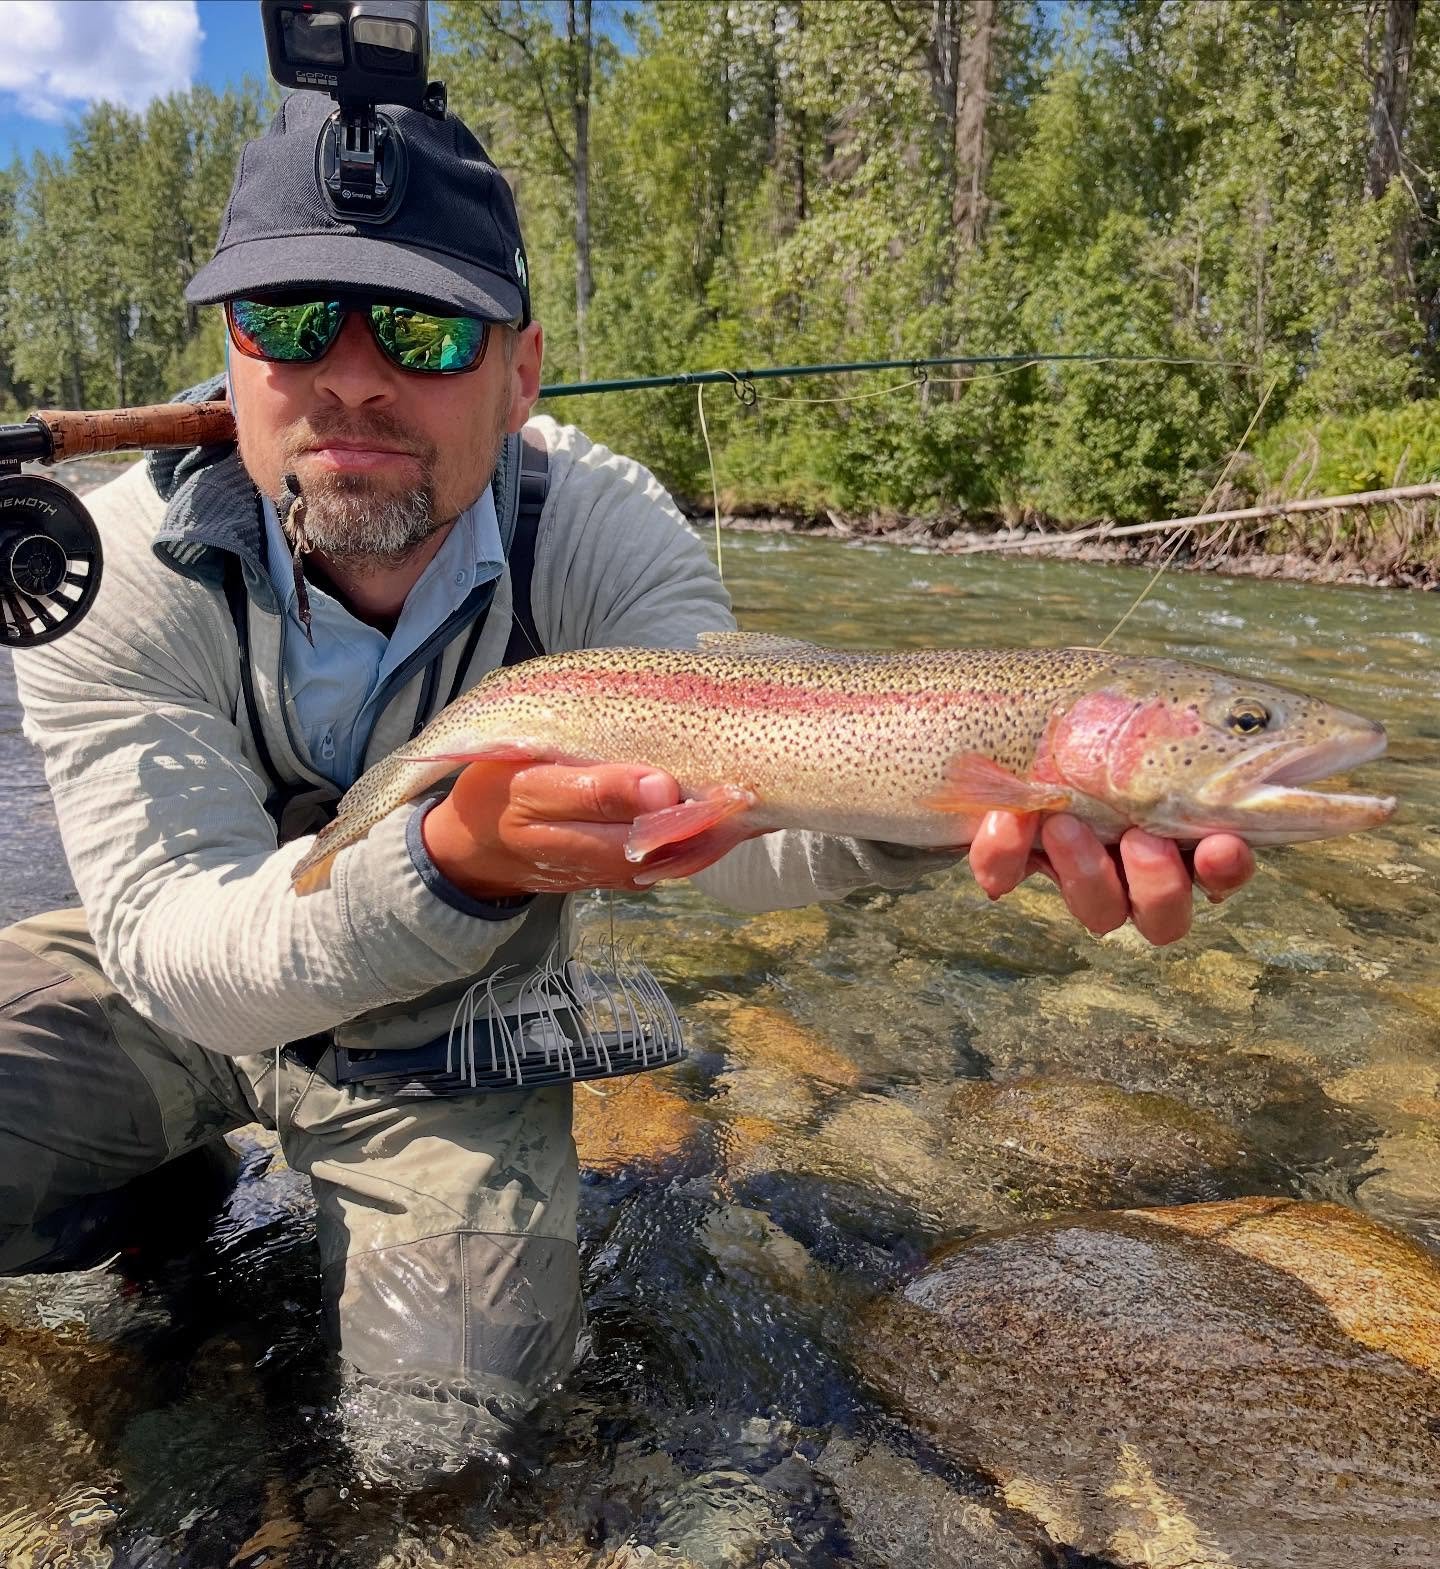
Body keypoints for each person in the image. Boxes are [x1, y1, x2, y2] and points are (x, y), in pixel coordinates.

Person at [0, 93, 1253, 1453]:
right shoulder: (101, 569)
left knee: (444, 1445)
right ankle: (156, 1198)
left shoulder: (600, 531)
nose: (351, 379)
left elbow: (743, 819)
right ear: (231, 353)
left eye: (426, 331)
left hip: (448, 1037)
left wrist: (945, 804)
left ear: (521, 374)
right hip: (172, 997)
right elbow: (175, 953)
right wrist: (448, 860)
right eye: (290, 320)